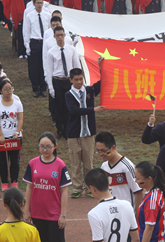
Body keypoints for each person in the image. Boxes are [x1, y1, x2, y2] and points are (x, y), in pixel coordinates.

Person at [23, 132, 72, 242]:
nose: (44, 150)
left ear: (55, 147)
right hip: (37, 213)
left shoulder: (60, 165)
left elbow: (64, 191)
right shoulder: (32, 163)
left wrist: (63, 215)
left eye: (48, 147)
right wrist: (26, 210)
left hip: (54, 214)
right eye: (42, 147)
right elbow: (29, 187)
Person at [65, 67, 104, 198]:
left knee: (88, 162)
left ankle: (89, 187)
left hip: (88, 132)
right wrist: (93, 109)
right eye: (76, 80)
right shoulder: (68, 95)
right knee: (75, 162)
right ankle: (77, 187)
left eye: (81, 79)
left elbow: (102, 82)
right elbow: (74, 111)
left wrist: (101, 67)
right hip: (74, 133)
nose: (79, 82)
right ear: (71, 80)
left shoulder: (89, 90)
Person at [44, 25, 80, 140]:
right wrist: (51, 87)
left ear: (65, 35)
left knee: (69, 106)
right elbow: (49, 70)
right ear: (54, 37)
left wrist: (79, 82)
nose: (60, 38)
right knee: (59, 107)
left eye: (62, 35)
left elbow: (76, 66)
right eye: (58, 36)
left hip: (69, 80)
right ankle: (60, 130)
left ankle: (69, 129)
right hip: (57, 81)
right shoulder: (51, 52)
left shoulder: (71, 49)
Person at [95, 131, 143, 210]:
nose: (100, 154)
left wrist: (136, 217)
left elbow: (138, 192)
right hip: (111, 212)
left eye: (103, 151)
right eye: (98, 151)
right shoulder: (104, 166)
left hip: (126, 212)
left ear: (113, 148)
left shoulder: (126, 166)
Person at [0, 79, 23, 191]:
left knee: (15, 160)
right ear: (1, 91)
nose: (8, 91)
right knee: (3, 161)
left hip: (15, 137)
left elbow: (20, 119)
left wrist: (17, 132)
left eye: (10, 89)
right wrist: (0, 135)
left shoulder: (17, 103)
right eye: (6, 89)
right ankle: (4, 181)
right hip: (3, 138)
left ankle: (14, 180)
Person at [23, 0, 50, 97]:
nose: (39, 5)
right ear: (33, 4)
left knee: (44, 65)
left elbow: (49, 30)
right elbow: (27, 31)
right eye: (37, 3)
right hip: (34, 42)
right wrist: (27, 46)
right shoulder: (29, 15)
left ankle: (43, 88)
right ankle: (35, 88)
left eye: (41, 3)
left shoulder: (47, 15)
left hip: (44, 42)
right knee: (34, 66)